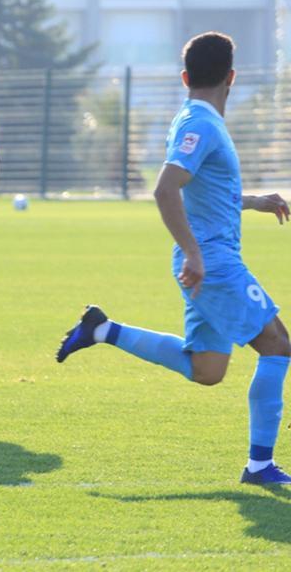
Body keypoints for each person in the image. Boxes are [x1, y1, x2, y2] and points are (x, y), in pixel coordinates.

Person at [56, 32, 291, 485]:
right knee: (278, 345)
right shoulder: (201, 124)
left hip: (206, 261)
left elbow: (204, 189)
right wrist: (194, 253)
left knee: (207, 368)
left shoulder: (192, 119)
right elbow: (165, 189)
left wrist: (254, 201)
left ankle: (102, 329)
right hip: (212, 263)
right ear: (232, 77)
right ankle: (260, 466)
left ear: (185, 77)